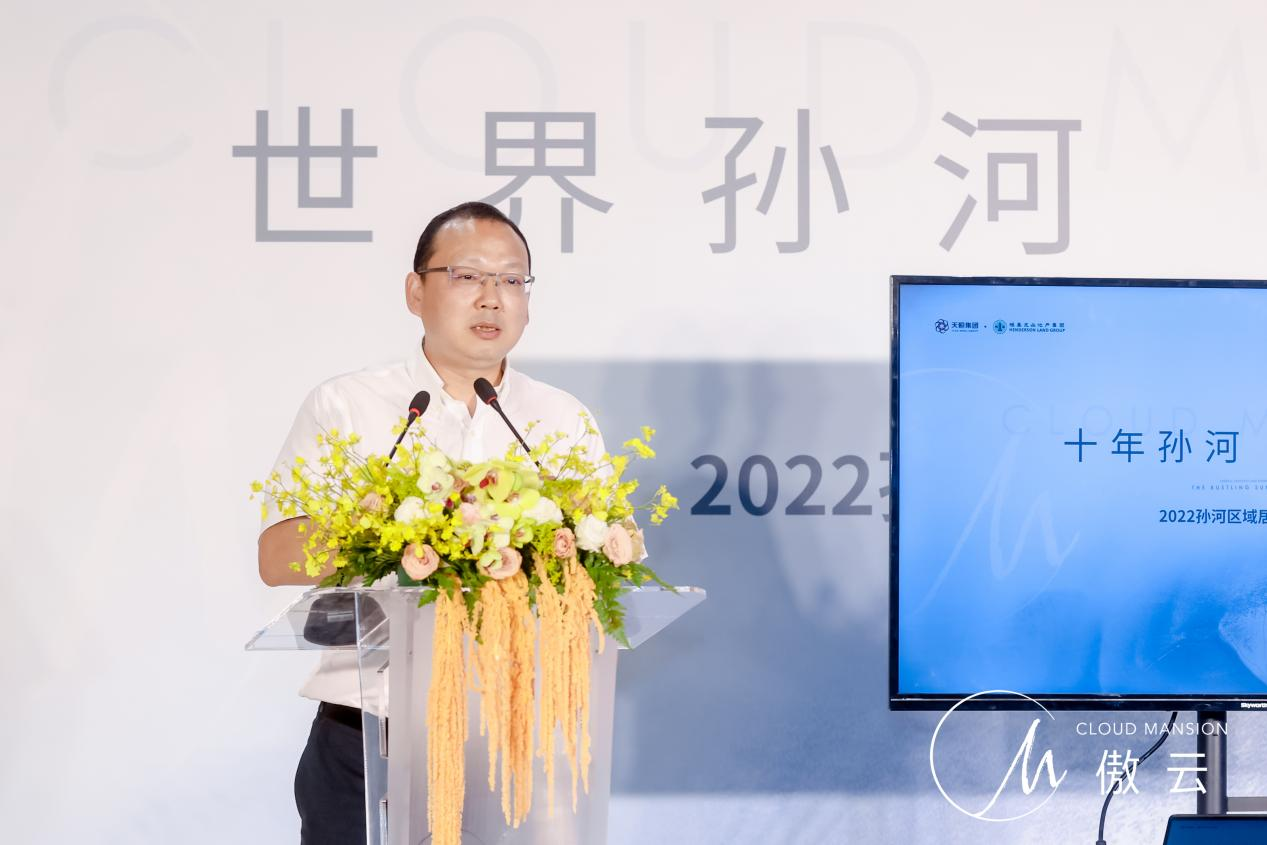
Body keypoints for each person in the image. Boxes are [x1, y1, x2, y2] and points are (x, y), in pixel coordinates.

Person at [257, 201, 607, 844]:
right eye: (467, 276)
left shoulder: (562, 420)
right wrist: (399, 530)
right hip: (368, 729)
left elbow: (605, 567)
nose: (492, 298)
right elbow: (277, 558)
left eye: (512, 280)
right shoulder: (348, 405)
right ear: (416, 291)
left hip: (513, 735)